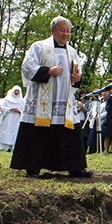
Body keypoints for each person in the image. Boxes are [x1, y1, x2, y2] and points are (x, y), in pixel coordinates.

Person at [10, 16, 91, 178]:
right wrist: (48, 71)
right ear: (53, 30)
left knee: (69, 131)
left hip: (64, 99)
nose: (66, 34)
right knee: (38, 132)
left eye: (68, 31)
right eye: (62, 30)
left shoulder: (72, 52)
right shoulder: (39, 47)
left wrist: (76, 79)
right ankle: (33, 167)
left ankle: (74, 166)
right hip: (42, 99)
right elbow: (27, 67)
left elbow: (77, 75)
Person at [0, 85, 25, 151]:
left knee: (15, 133)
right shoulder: (6, 99)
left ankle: (13, 147)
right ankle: (4, 147)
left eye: (18, 91)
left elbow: (24, 111)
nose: (16, 92)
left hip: (16, 119)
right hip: (8, 118)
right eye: (15, 91)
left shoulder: (22, 101)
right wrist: (10, 109)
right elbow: (1, 108)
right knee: (5, 132)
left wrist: (19, 111)